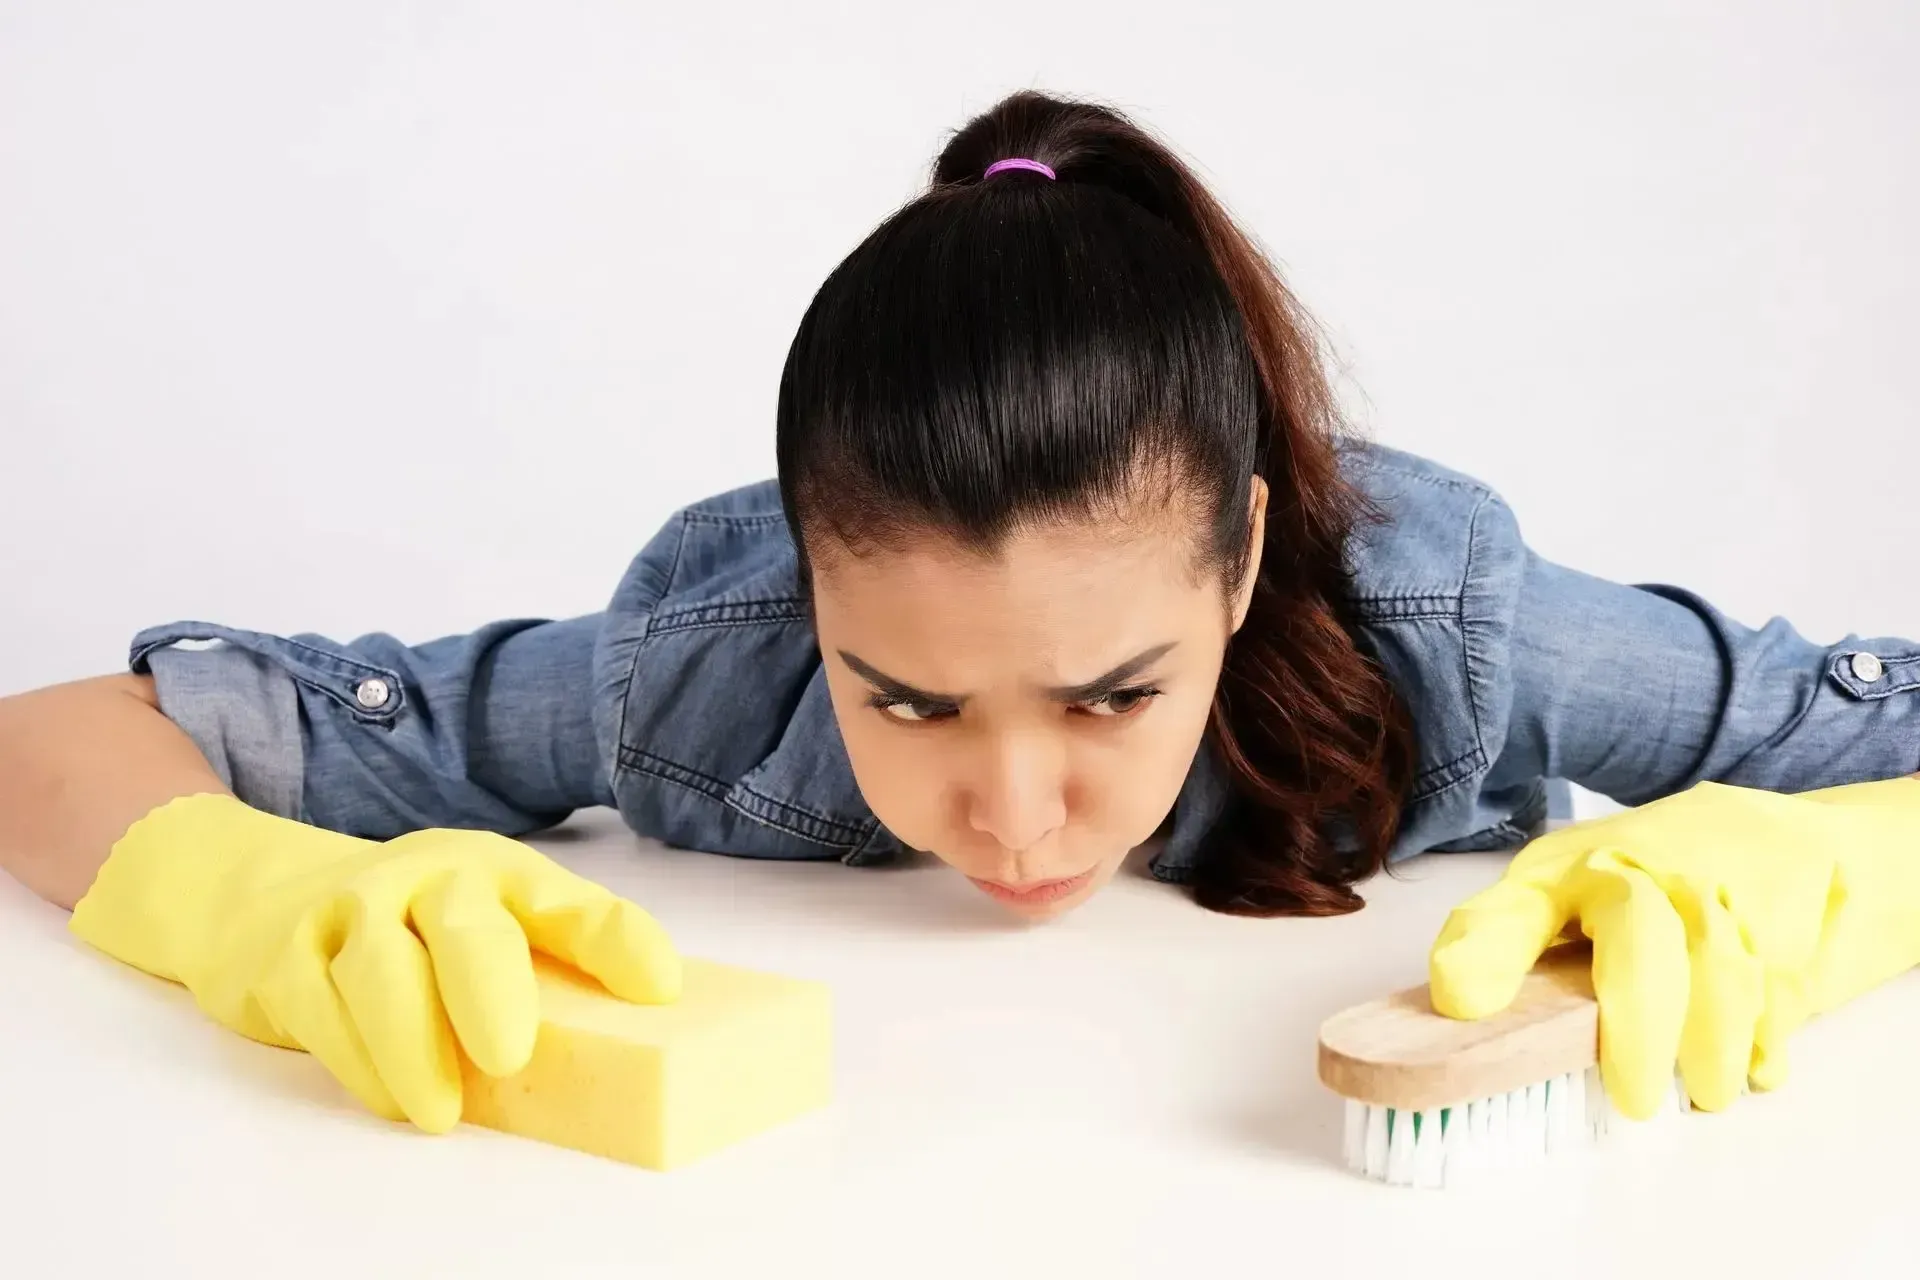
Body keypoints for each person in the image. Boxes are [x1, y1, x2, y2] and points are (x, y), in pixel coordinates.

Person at [5, 91, 1919, 1136]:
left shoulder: (1448, 618)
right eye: (904, 700)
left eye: (1108, 696)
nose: (1012, 817)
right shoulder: (706, 656)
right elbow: (52, 745)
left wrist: (1840, 884)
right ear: (809, 587)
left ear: (1243, 567)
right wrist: (256, 901)